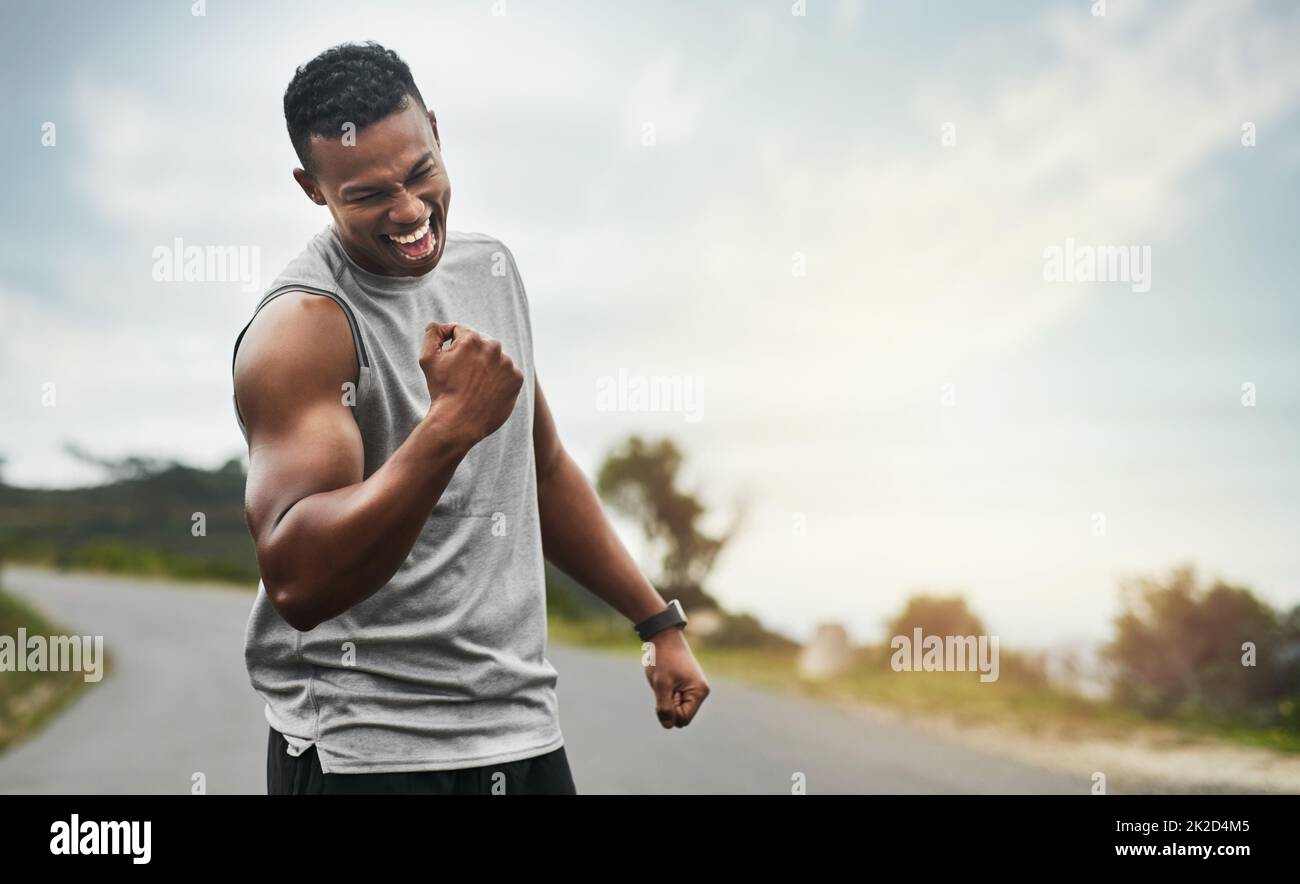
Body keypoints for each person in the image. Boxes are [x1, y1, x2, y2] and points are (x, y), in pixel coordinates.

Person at [230, 41, 710, 795]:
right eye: (368, 195)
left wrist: (657, 623)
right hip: (368, 753)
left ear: (439, 135)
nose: (412, 211)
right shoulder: (302, 330)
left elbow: (542, 469)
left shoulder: (490, 270)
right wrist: (448, 429)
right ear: (312, 188)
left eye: (421, 173)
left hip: (520, 730)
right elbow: (299, 580)